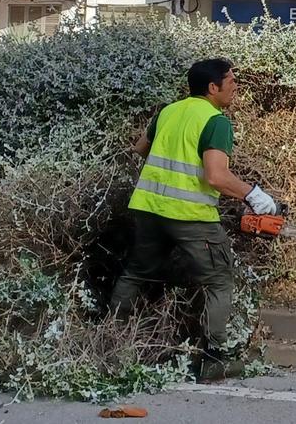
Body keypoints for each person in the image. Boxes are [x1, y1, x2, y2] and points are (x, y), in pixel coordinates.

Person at [109, 57, 278, 380]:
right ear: (212, 87)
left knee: (135, 273)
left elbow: (140, 149)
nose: (235, 87)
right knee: (218, 281)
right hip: (189, 216)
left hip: (148, 209)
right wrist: (255, 196)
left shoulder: (168, 112)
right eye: (231, 81)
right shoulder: (216, 122)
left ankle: (114, 345)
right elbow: (216, 177)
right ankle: (214, 361)